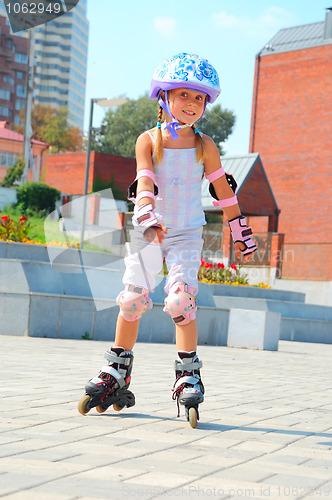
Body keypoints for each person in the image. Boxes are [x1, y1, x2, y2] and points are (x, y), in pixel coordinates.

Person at [79, 53, 257, 425]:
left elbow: (223, 190)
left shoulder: (204, 145)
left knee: (180, 301)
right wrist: (146, 215)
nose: (192, 105)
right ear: (164, 98)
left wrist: (239, 229)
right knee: (131, 300)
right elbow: (145, 180)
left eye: (199, 99)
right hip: (150, 230)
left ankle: (188, 373)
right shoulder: (148, 140)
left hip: (187, 234)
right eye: (184, 96)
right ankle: (115, 373)